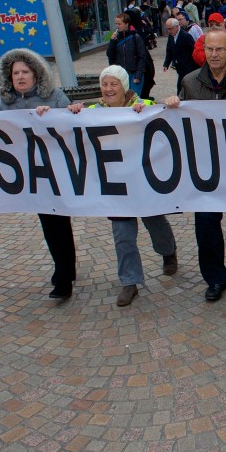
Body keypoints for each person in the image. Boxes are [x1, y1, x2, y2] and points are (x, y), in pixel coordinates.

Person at [165, 29, 226, 302]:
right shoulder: (189, 82)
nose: (214, 54)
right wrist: (173, 104)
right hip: (205, 166)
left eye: (220, 49)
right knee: (206, 222)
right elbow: (179, 121)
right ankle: (214, 278)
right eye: (209, 49)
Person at [69, 65, 178, 307]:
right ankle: (129, 281)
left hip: (143, 180)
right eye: (105, 84)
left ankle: (168, 251)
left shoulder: (141, 105)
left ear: (124, 87)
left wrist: (147, 110)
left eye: (114, 84)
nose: (108, 89)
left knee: (155, 222)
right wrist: (73, 112)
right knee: (123, 235)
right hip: (116, 184)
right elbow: (73, 128)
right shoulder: (94, 112)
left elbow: (163, 117)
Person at [0, 48, 77, 299]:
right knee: (49, 223)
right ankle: (64, 268)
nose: (20, 77)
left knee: (59, 222)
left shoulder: (55, 97)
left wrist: (61, 113)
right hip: (31, 176)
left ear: (36, 74)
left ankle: (64, 277)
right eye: (15, 73)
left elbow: (73, 126)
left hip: (56, 171)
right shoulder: (5, 103)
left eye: (25, 72)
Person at [106, 12, 152, 98]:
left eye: (119, 24)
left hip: (134, 72)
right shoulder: (116, 38)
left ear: (126, 24)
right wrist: (112, 41)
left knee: (133, 98)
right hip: (121, 73)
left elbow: (142, 57)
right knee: (122, 98)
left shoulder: (135, 37)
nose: (117, 26)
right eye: (116, 23)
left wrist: (138, 75)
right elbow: (109, 54)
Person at [162, 17, 197, 93]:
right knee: (180, 86)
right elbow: (169, 51)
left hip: (189, 67)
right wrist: (166, 64)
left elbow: (194, 51)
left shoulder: (186, 36)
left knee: (184, 85)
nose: (169, 31)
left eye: (170, 29)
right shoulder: (171, 36)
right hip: (180, 66)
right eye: (167, 29)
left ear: (177, 27)